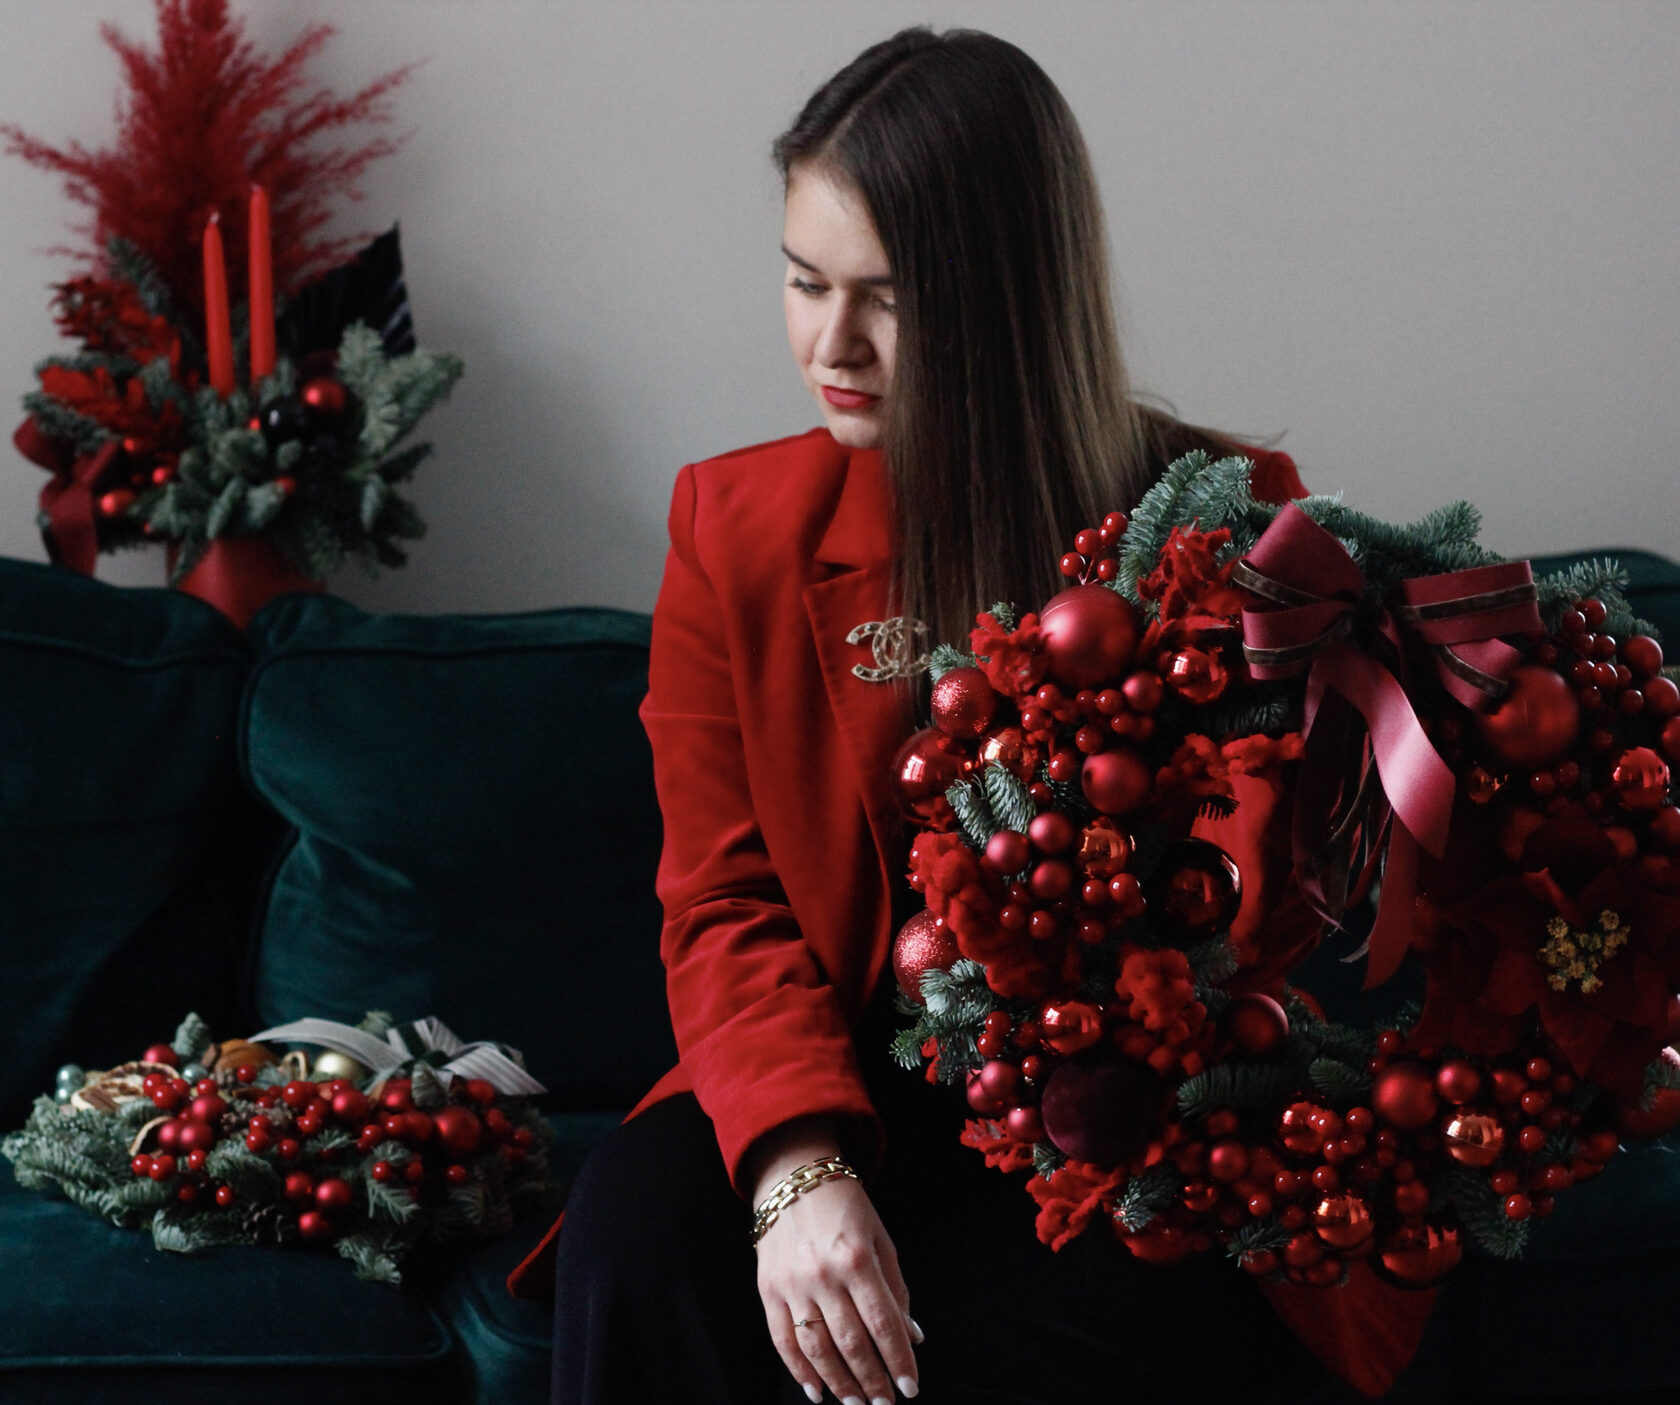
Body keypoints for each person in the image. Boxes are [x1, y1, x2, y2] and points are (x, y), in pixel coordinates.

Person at [530, 27, 1405, 1405]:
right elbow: (722, 900)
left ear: (1007, 299)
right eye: (804, 281)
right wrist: (796, 1169)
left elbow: (1253, 901)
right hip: (825, 1068)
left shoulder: (1218, 515)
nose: (832, 343)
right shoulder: (732, 526)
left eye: (887, 299)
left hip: (1118, 1093)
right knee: (638, 1230)